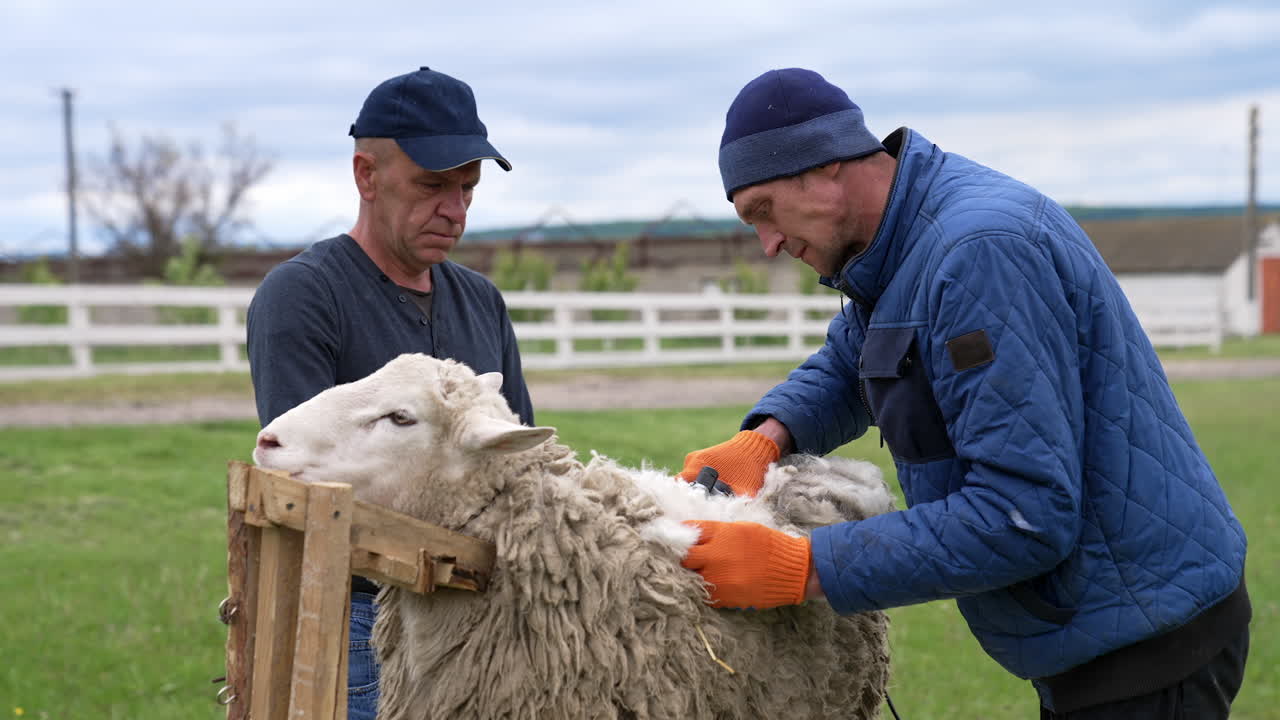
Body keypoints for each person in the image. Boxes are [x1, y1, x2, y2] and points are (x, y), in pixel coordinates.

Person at [677, 68, 1250, 719]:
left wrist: (803, 565)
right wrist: (766, 437)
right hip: (1108, 626)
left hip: (1144, 646)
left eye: (764, 211)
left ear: (826, 166)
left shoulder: (979, 254)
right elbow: (853, 360)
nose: (769, 244)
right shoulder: (902, 243)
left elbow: (1022, 514)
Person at [246, 66, 534, 720]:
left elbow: (514, 467)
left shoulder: (481, 301)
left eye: (467, 189)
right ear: (367, 177)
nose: (454, 210)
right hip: (355, 616)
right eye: (432, 185)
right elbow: (304, 480)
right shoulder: (303, 296)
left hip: (473, 612)